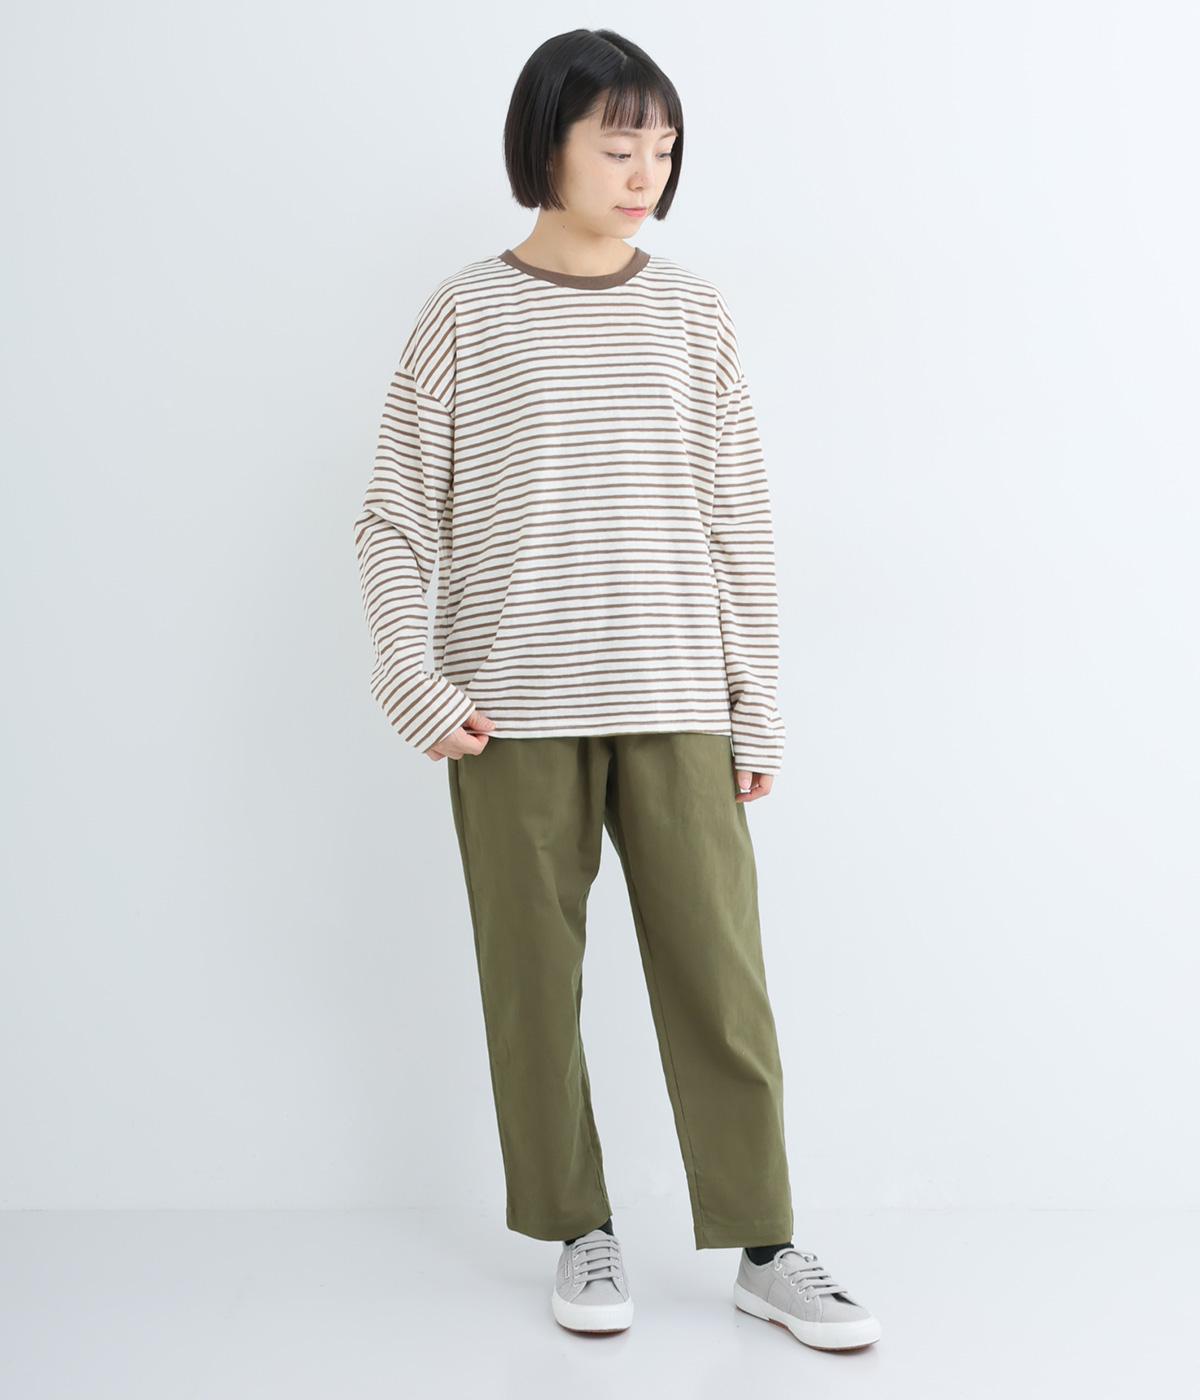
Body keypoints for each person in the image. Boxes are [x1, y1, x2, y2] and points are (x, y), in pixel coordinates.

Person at [353, 26, 881, 1351]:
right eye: (618, 144)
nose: (647, 172)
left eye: (664, 146)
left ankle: (767, 1244)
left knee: (720, 979)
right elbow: (394, 517)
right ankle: (578, 1229)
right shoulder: (464, 313)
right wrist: (413, 681)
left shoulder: (691, 311)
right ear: (548, 144)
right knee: (533, 984)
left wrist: (756, 703)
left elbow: (737, 522)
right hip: (509, 709)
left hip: (676, 694)